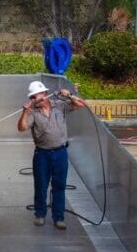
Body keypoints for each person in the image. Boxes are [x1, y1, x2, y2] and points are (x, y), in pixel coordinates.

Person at [17, 80, 87, 229]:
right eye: (33, 97)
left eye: (39, 95)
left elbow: (81, 104)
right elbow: (22, 128)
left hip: (60, 152)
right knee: (41, 186)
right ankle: (40, 215)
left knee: (59, 186)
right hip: (42, 155)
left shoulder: (59, 105)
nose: (37, 99)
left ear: (45, 94)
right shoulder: (33, 113)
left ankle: (58, 218)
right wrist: (24, 112)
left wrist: (70, 95)